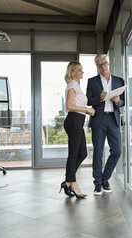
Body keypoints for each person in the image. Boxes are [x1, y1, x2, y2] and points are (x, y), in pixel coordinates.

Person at [86, 54, 125, 196]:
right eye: (99, 65)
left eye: (104, 64)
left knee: (117, 151)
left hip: (113, 119)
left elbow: (123, 102)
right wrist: (99, 98)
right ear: (97, 66)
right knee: (98, 152)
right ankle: (97, 183)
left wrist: (117, 101)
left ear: (108, 63)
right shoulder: (92, 81)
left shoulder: (119, 80)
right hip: (99, 120)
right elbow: (89, 101)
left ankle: (104, 178)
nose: (103, 67)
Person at [59, 61, 95, 199]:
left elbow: (76, 105)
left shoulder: (76, 86)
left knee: (83, 153)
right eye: (79, 70)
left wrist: (86, 111)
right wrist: (87, 109)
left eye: (82, 70)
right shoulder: (72, 85)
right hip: (73, 121)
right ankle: (73, 184)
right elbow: (69, 106)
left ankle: (68, 181)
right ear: (71, 72)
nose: (82, 72)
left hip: (78, 121)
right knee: (74, 154)